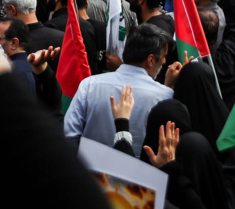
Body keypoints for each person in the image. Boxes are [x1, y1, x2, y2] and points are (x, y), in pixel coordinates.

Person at [63, 22, 173, 156]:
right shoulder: (166, 96)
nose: (164, 61)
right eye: (163, 57)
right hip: (142, 175)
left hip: (91, 173)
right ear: (150, 60)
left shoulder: (89, 85)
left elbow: (69, 136)